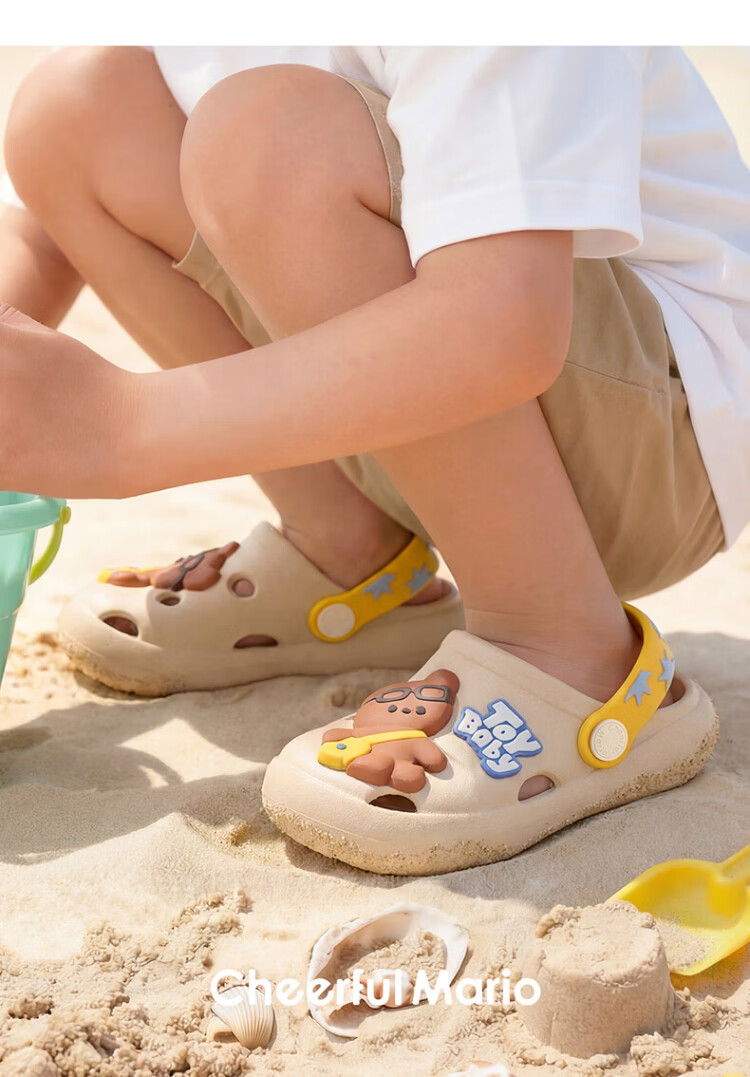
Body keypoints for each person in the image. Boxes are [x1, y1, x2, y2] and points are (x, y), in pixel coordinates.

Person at [0, 46, 747, 872]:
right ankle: (349, 553)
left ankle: (560, 638)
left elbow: (503, 326)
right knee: (76, 111)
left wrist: (122, 429)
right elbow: (45, 225)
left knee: (273, 135)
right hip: (435, 418)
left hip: (662, 440)